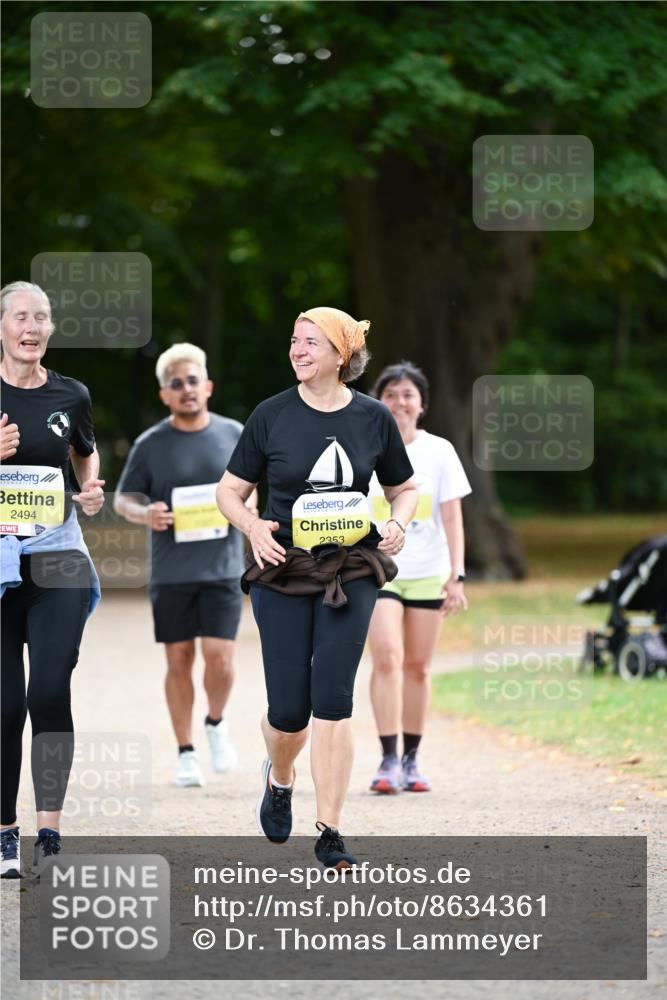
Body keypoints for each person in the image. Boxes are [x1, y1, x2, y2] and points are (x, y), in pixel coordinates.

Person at [217, 307, 417, 869]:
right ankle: (280, 778)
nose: (298, 350)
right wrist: (253, 525)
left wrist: (398, 523)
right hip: (282, 570)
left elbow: (404, 489)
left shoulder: (373, 418)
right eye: (294, 340)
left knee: (333, 699)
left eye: (310, 342)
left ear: (341, 354)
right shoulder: (270, 415)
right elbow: (229, 491)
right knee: (290, 711)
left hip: (350, 568)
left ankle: (330, 830)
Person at [0, 281, 104, 878]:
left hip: (57, 554)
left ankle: (50, 832)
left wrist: (88, 489)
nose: (32, 326)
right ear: (4, 327)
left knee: (47, 690)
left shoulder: (72, 394)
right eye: (21, 316)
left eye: (41, 317)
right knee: (5, 706)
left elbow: (84, 453)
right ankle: (6, 835)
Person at [115, 344, 254, 788]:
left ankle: (214, 721)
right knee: (178, 660)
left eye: (193, 381)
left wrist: (250, 524)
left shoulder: (235, 434)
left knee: (221, 659)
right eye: (177, 384)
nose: (187, 389)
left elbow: (256, 491)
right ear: (165, 394)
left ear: (207, 386)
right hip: (172, 571)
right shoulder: (150, 444)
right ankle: (186, 752)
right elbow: (124, 498)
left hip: (222, 568)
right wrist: (145, 514)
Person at [367, 361, 471, 794]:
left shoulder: (440, 451)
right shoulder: (364, 445)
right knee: (387, 658)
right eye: (390, 394)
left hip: (430, 572)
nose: (399, 402)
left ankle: (412, 760)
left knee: (418, 668)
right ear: (378, 402)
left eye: (408, 395)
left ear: (421, 405)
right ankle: (388, 759)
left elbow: (452, 516)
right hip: (377, 571)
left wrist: (457, 576)